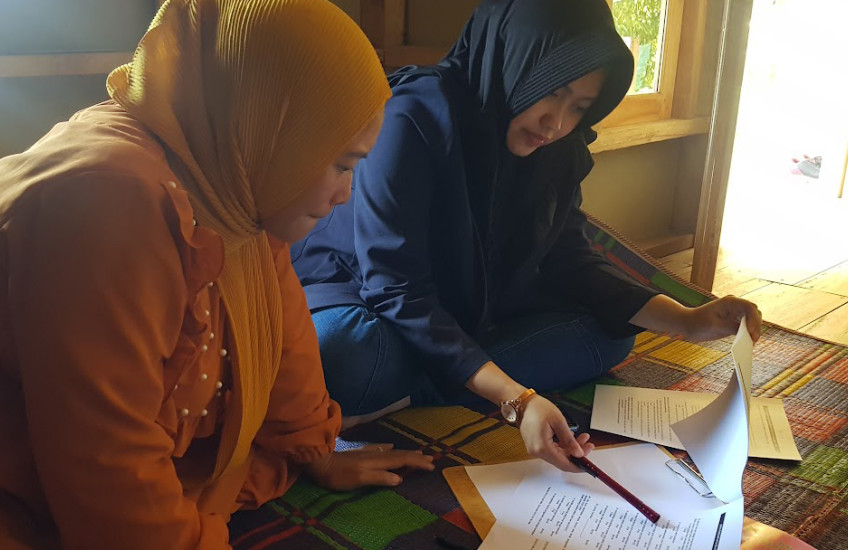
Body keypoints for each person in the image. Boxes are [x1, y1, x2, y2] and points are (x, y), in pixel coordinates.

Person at [0, 1, 434, 549]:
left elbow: (282, 336)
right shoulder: (108, 200)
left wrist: (317, 451)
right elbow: (105, 465)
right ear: (269, 120)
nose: (345, 194)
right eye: (342, 165)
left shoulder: (230, 177)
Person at [292, 0, 762, 473]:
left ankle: (427, 386)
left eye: (578, 106)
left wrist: (687, 321)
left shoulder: (556, 146)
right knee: (345, 355)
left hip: (471, 308)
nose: (556, 122)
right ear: (513, 59)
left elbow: (569, 255)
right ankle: (458, 377)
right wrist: (517, 398)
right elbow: (396, 287)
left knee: (611, 335)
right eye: (552, 91)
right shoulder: (413, 117)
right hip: (368, 301)